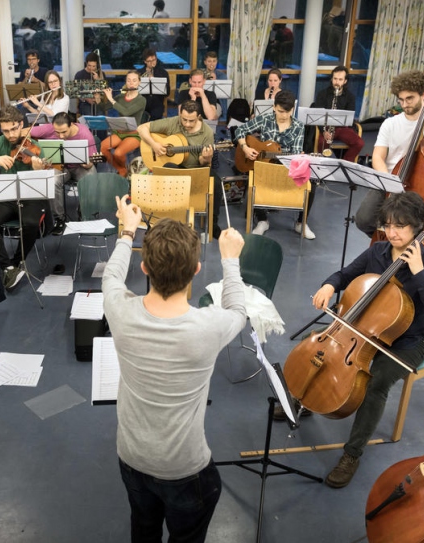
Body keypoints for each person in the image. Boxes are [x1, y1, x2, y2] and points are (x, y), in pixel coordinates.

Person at [103, 195, 246, 543]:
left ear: (145, 268)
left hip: (132, 458)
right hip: (186, 468)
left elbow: (111, 275)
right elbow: (239, 310)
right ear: (196, 270)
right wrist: (230, 260)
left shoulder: (119, 311)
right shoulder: (209, 327)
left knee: (144, 529)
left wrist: (127, 232)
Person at [312, 192, 424, 488]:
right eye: (387, 225)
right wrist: (328, 285)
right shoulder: (378, 250)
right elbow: (345, 274)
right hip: (365, 329)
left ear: (416, 227)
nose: (392, 232)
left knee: (375, 385)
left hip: (407, 342)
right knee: (327, 354)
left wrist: (419, 273)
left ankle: (352, 454)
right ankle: (304, 400)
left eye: (400, 226)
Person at [355, 70, 424, 237]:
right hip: (390, 180)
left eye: (409, 98)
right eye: (401, 100)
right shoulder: (390, 123)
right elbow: (378, 156)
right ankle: (387, 244)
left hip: (422, 185)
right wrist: (389, 182)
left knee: (415, 227)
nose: (404, 105)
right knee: (363, 219)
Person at [0, 107, 49, 291]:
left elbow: (47, 176)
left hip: (31, 195)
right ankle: (6, 267)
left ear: (21, 124)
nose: (11, 134)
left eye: (14, 129)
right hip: (7, 196)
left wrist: (39, 170)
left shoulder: (35, 145)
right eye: (5, 130)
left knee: (31, 223)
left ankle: (17, 261)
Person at [138, 100, 222, 238]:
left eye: (191, 121)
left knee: (216, 182)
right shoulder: (174, 122)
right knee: (167, 168)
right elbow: (141, 128)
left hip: (195, 169)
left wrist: (206, 158)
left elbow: (204, 164)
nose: (187, 124)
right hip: (175, 169)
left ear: (199, 117)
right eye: (184, 120)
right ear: (179, 115)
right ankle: (165, 222)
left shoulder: (206, 132)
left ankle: (213, 225)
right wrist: (154, 145)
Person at [235, 90, 314, 237]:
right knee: (256, 173)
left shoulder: (298, 126)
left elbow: (295, 153)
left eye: (287, 112)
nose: (284, 116)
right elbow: (240, 130)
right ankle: (262, 220)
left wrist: (296, 158)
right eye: (280, 111)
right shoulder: (265, 119)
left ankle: (300, 223)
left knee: (311, 183)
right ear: (274, 107)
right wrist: (245, 147)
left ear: (293, 109)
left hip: (286, 167)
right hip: (264, 166)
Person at [24, 112, 97, 232]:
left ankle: (84, 211)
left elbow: (91, 163)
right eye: (57, 132)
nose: (61, 135)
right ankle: (59, 219)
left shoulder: (85, 134)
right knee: (52, 180)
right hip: (59, 167)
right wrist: (33, 147)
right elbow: (24, 132)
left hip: (79, 167)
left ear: (71, 125)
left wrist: (87, 163)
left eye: (64, 132)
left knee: (90, 179)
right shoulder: (49, 128)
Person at [98, 71, 147, 177]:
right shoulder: (120, 97)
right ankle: (122, 169)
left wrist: (111, 98)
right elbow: (103, 107)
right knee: (103, 147)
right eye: (128, 80)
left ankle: (123, 171)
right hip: (120, 131)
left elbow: (126, 112)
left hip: (134, 133)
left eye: (134, 80)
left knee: (118, 153)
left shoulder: (141, 100)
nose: (131, 83)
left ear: (139, 82)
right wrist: (98, 97)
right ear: (126, 82)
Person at [312, 66, 365, 163]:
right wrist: (324, 131)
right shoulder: (322, 94)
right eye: (335, 78)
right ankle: (324, 165)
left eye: (340, 79)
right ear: (331, 79)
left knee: (359, 143)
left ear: (345, 81)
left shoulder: (350, 97)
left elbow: (350, 117)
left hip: (342, 127)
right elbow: (318, 115)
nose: (337, 82)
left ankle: (345, 164)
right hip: (326, 127)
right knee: (322, 143)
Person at [140, 48, 170, 121]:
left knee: (155, 118)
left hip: (157, 103)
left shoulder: (163, 73)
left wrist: (155, 80)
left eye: (154, 60)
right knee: (141, 118)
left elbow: (167, 92)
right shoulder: (139, 73)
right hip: (142, 103)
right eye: (149, 61)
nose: (152, 63)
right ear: (145, 61)